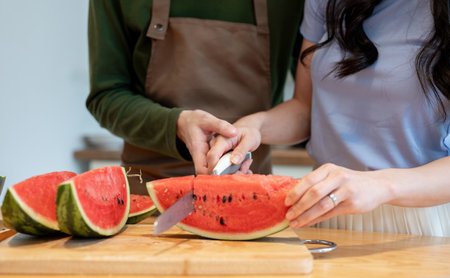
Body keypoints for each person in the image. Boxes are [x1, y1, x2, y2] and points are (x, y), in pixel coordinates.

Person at [205, 0, 450, 236]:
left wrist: (381, 185)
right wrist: (254, 126)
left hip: (419, 222)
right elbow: (304, 108)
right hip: (320, 211)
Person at [85, 0, 304, 194]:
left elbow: (307, 106)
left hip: (249, 185)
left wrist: (250, 129)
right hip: (148, 192)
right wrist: (176, 125)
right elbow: (106, 96)